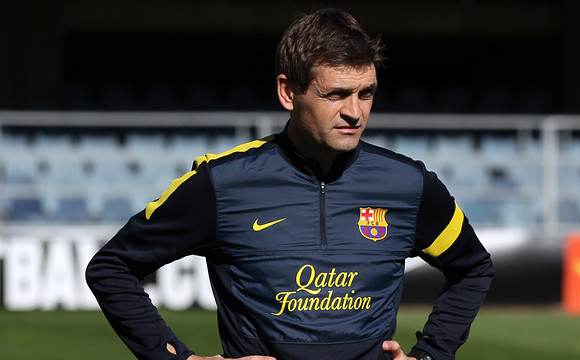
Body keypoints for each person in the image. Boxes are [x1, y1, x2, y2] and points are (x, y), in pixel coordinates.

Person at [86, 8, 494, 360]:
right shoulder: (222, 183)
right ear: (288, 92)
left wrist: (432, 352)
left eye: (366, 93)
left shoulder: (409, 184)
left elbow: (473, 267)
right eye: (336, 94)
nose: (354, 112)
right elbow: (112, 266)